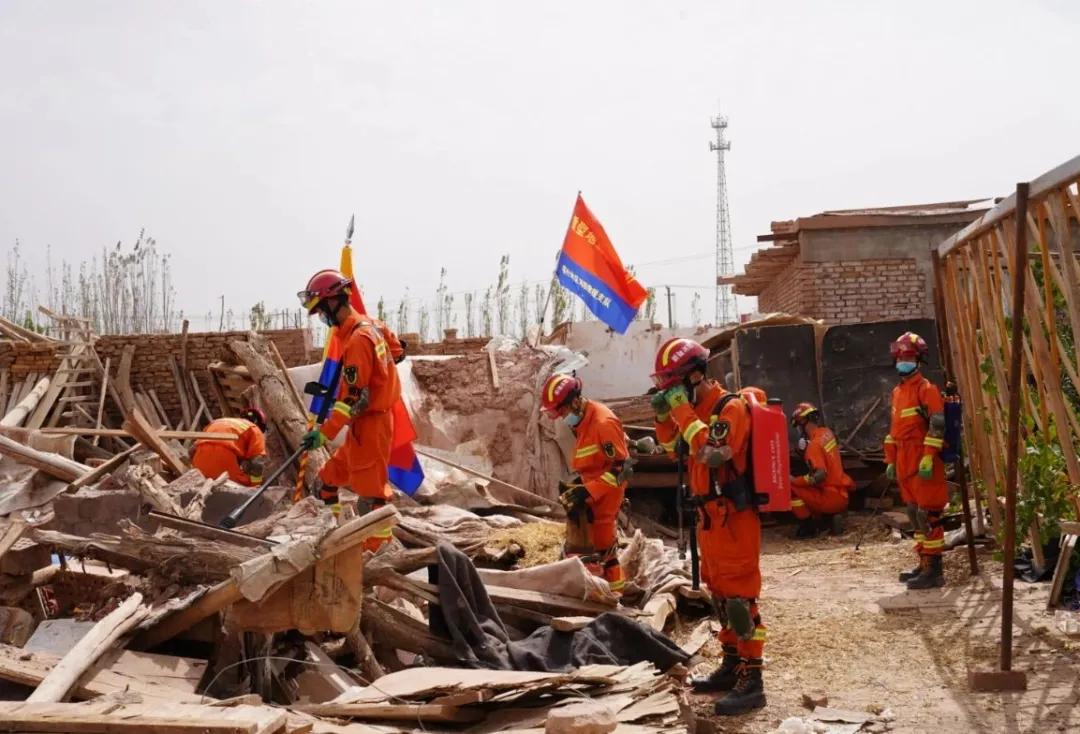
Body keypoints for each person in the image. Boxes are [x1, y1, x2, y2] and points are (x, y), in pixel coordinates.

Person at [651, 337, 766, 716]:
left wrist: (682, 413)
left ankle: (754, 679)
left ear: (697, 375)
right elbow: (676, 450)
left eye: (674, 384)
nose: (671, 392)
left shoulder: (728, 408)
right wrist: (664, 416)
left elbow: (713, 454)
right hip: (709, 519)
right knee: (719, 596)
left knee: (739, 600)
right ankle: (732, 664)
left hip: (734, 518)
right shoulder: (696, 410)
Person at [298, 269, 401, 552]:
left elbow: (353, 400)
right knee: (325, 485)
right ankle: (337, 538)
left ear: (335, 302)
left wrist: (323, 434)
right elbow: (398, 350)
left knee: (372, 499)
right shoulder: (373, 326)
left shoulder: (358, 340)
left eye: (322, 311)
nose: (322, 318)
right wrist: (383, 373)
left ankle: (376, 555)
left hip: (371, 426)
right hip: (361, 428)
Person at [541, 373, 629, 596]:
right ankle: (596, 593)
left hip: (606, 497)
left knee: (605, 551)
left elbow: (620, 469)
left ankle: (616, 599)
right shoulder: (581, 421)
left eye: (561, 411)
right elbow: (594, 463)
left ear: (574, 402)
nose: (561, 417)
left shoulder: (603, 423)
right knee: (587, 550)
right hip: (593, 493)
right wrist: (576, 485)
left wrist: (587, 491)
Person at [884, 331, 948, 589]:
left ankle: (935, 570)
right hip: (903, 460)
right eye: (900, 357)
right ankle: (923, 562)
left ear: (919, 359)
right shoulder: (898, 392)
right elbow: (894, 431)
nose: (902, 361)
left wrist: (929, 457)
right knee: (913, 512)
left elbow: (938, 425)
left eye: (907, 356)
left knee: (928, 514)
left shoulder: (927, 389)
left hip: (922, 459)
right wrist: (890, 460)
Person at [789, 402, 853, 538]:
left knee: (791, 489)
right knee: (811, 491)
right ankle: (825, 520)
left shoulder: (813, 447)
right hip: (842, 494)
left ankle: (808, 528)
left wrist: (796, 480)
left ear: (802, 423)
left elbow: (819, 476)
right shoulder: (826, 433)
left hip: (829, 498)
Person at [191, 408, 268, 487]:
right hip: (223, 463)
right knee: (244, 487)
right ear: (259, 424)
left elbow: (192, 450)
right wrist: (256, 484)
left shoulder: (217, 422)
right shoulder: (254, 429)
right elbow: (257, 463)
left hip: (199, 465)